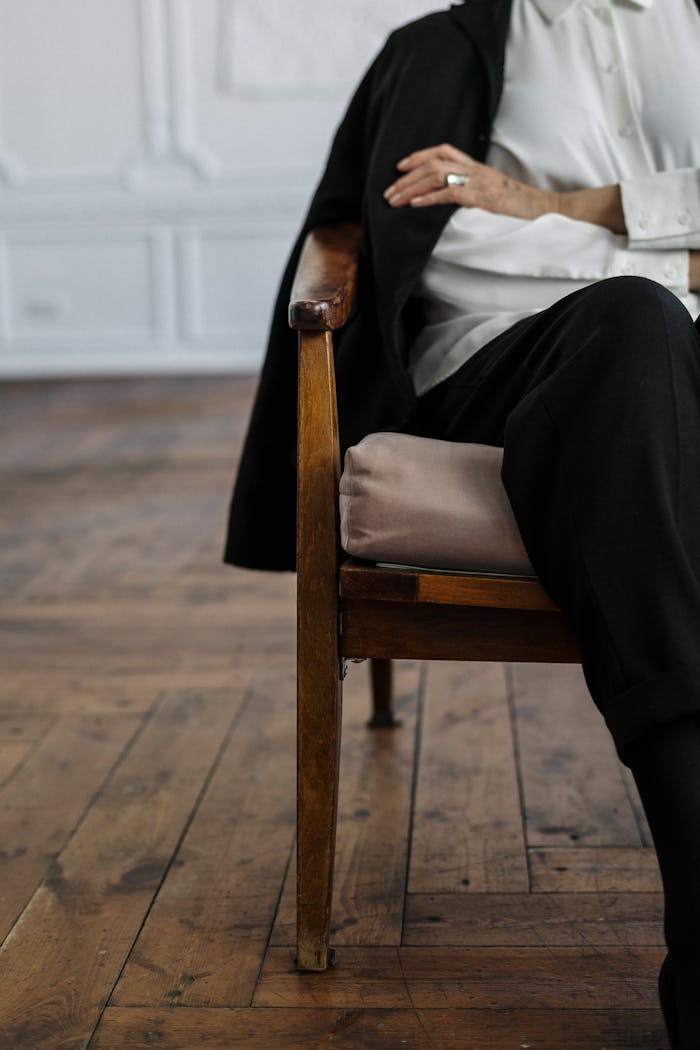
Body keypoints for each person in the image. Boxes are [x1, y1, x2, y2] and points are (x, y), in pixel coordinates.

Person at [225, 1, 700, 1044]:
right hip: (510, 359)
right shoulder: (442, 48)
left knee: (647, 326)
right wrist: (669, 253)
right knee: (635, 323)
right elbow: (436, 249)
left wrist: (543, 206)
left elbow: (501, 221)